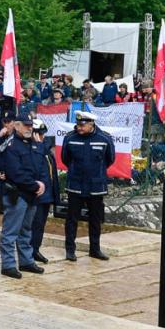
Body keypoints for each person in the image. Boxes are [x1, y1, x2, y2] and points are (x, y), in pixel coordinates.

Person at [61, 110, 116, 261]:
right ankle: (70, 250)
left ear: (91, 124)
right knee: (72, 219)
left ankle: (95, 249)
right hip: (76, 185)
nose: (79, 127)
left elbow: (110, 159)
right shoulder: (70, 138)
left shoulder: (104, 138)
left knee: (95, 220)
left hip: (96, 186)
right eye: (78, 124)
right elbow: (65, 158)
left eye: (83, 125)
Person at [0, 113, 46, 279]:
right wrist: (35, 186)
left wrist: (41, 183)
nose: (29, 128)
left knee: (26, 230)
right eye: (25, 125)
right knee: (10, 231)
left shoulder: (33, 144)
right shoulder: (11, 145)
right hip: (17, 193)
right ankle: (8, 264)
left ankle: (26, 261)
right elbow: (16, 173)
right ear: (17, 126)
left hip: (31, 193)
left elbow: (40, 166)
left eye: (30, 125)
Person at [30, 118, 58, 264]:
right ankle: (29, 252)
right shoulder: (33, 149)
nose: (43, 136)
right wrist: (38, 146)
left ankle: (36, 249)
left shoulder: (44, 148)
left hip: (46, 194)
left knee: (40, 224)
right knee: (32, 224)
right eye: (40, 134)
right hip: (36, 194)